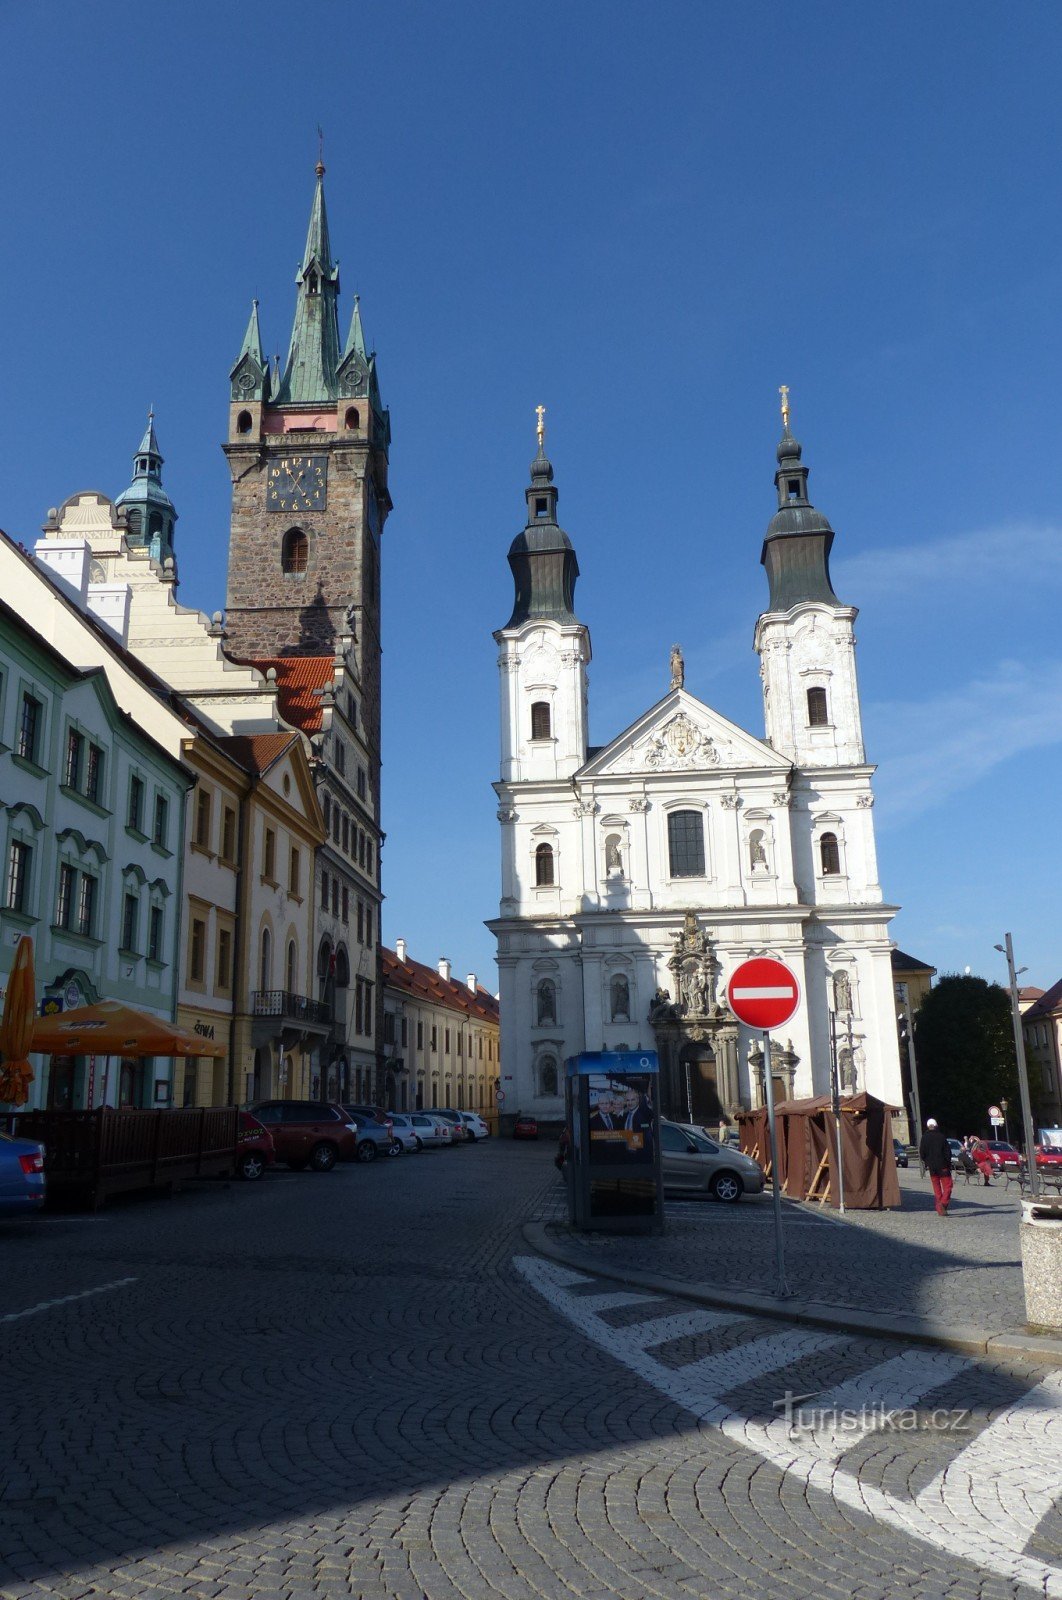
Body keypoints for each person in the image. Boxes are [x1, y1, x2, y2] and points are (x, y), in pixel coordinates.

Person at [918, 1118, 954, 1216]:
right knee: (948, 1186)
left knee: (936, 1188)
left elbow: (922, 1153)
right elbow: (948, 1152)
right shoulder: (941, 1136)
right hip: (943, 1165)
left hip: (932, 1167)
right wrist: (947, 1162)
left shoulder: (924, 1137)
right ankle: (943, 1203)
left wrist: (927, 1162)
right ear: (936, 1125)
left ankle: (939, 1209)